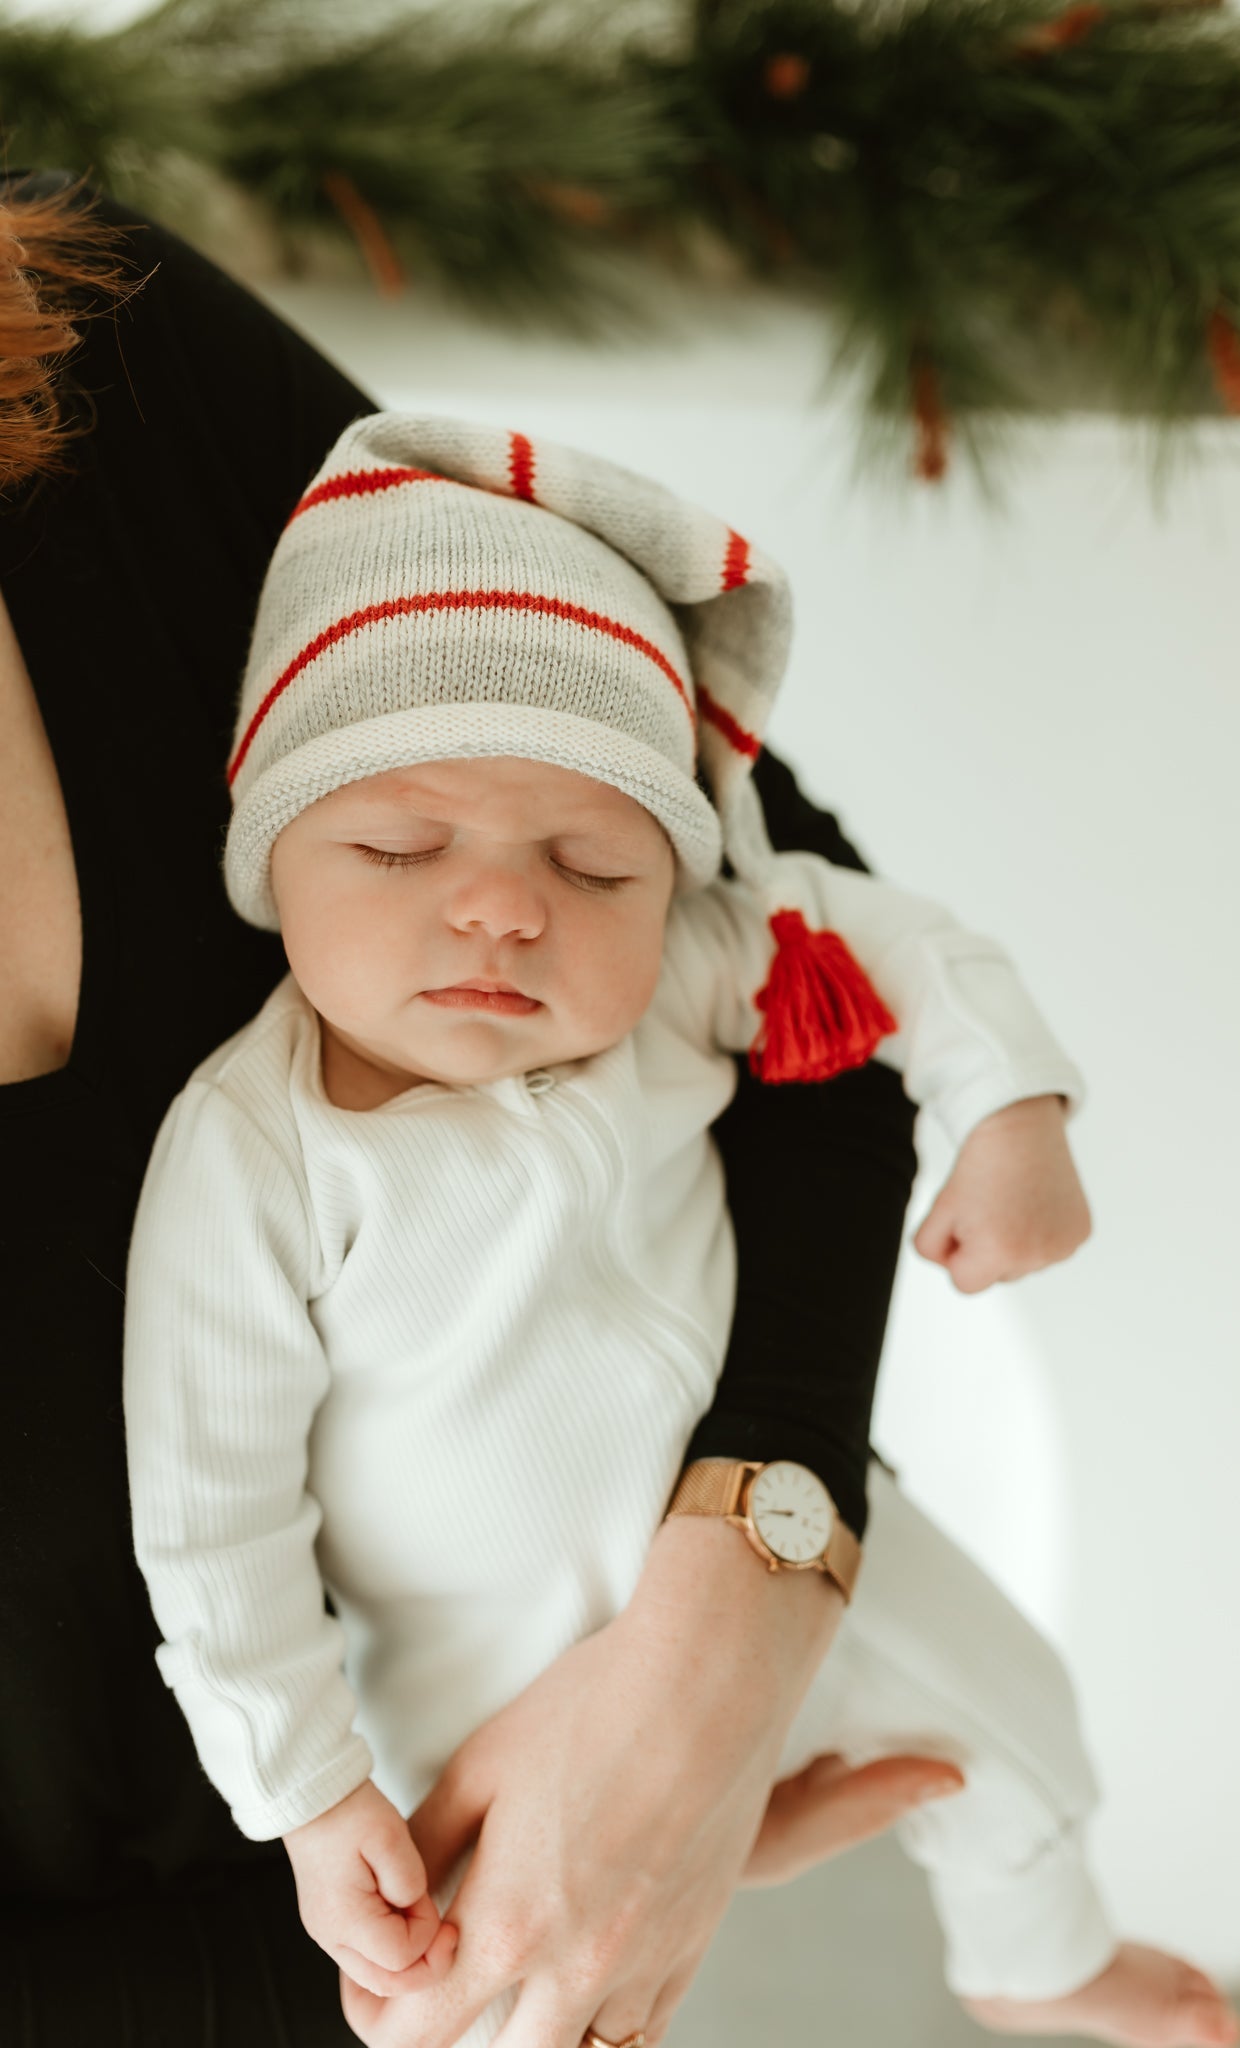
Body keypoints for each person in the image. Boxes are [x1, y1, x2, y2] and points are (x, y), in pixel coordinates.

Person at [0, 168, 979, 2047]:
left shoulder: (86, 323)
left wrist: (729, 1626)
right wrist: (456, 1924)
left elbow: (788, 948)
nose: (504, 906)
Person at [123, 411, 1240, 2048]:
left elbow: (890, 941)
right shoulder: (252, 1152)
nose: (505, 905)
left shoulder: (676, 990)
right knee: (483, 1994)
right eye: (398, 844)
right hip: (468, 1683)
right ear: (268, 855)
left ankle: (1035, 1952)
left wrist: (1010, 1111)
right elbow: (210, 1522)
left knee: (1019, 1725)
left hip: (812, 1555)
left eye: (591, 864)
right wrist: (304, 1795)